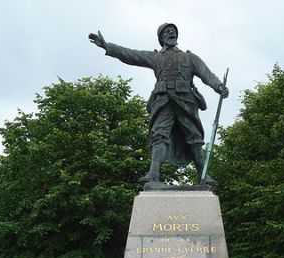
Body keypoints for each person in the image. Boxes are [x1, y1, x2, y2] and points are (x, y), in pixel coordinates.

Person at [89, 23, 228, 186]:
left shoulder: (190, 58)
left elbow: (207, 74)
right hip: (163, 101)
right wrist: (107, 46)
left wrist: (219, 86)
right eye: (167, 32)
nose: (171, 33)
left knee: (194, 137)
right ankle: (153, 174)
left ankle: (203, 176)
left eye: (173, 31)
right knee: (158, 134)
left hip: (185, 101)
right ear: (161, 38)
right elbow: (131, 55)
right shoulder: (155, 57)